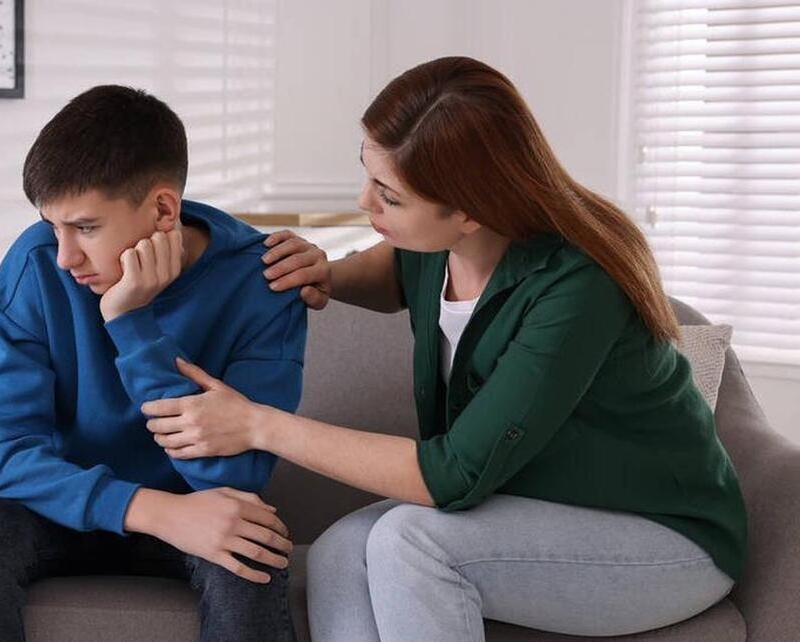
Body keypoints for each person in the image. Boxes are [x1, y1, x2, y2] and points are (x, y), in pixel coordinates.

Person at [140, 56, 747, 640]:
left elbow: (453, 476)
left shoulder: (579, 290)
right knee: (341, 552)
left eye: (390, 196)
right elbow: (397, 276)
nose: (363, 202)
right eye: (367, 173)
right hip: (531, 510)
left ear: (469, 212)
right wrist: (327, 273)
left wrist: (257, 425)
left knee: (411, 544)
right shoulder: (438, 249)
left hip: (662, 540)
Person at [0, 85, 306, 642]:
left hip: (197, 509)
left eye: (85, 227)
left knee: (252, 547)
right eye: (53, 226)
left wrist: (131, 321)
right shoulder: (38, 265)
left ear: (162, 209)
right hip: (59, 505)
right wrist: (149, 510)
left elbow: (235, 476)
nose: (65, 256)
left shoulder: (263, 282)